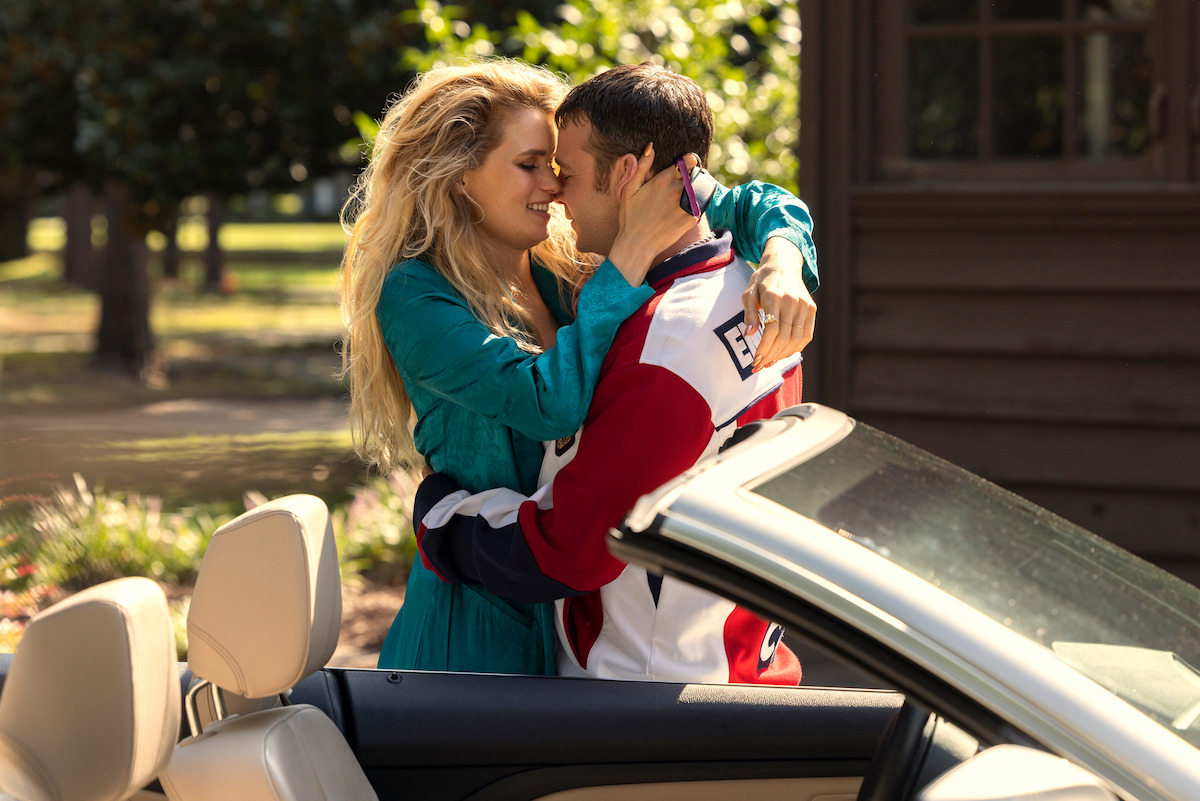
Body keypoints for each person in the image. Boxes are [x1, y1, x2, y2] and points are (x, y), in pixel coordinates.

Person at [338, 58, 817, 676]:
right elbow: (548, 404)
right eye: (530, 165)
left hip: (575, 617)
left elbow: (732, 198)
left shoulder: (562, 271)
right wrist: (630, 254)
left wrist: (782, 258)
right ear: (460, 176)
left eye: (559, 168)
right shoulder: (416, 294)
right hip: (481, 625)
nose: (554, 187)